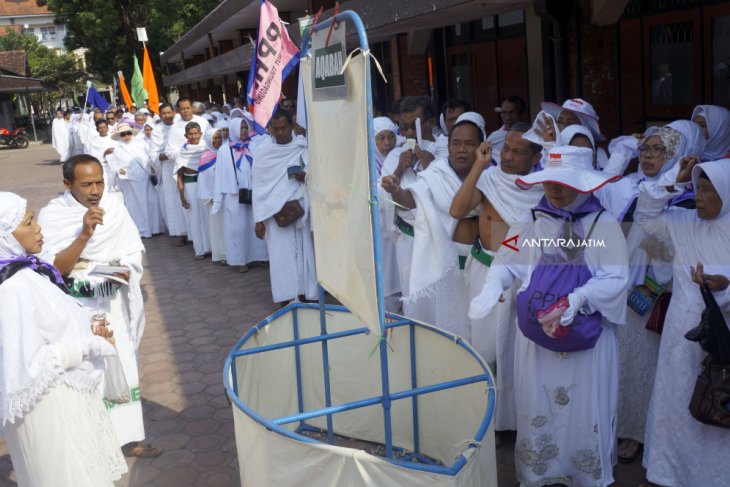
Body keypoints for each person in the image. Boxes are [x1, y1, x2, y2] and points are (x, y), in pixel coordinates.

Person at [470, 145, 628, 486]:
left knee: (585, 407)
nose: (553, 189)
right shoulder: (531, 220)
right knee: (540, 406)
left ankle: (584, 473)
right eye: (549, 182)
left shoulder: (602, 224)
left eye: (562, 182)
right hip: (539, 341)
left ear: (583, 184)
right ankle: (541, 473)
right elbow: (505, 260)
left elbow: (616, 278)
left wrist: (578, 299)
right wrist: (492, 285)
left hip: (587, 338)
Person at [37, 155, 161, 458]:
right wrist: (84, 234)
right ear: (68, 185)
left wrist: (120, 270)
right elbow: (55, 269)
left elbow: (133, 251)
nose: (95, 190)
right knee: (87, 369)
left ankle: (128, 437)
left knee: (122, 363)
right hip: (78, 308)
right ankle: (93, 441)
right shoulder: (52, 215)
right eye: (87, 184)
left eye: (100, 182)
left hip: (113, 302)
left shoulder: (115, 207)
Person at [0, 192, 128, 487]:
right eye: (28, 223)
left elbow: (47, 323)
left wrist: (88, 329)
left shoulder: (25, 271)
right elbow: (29, 366)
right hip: (50, 410)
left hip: (64, 398)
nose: (38, 229)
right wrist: (88, 346)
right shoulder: (11, 288)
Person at [636, 157, 730, 487]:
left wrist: (726, 285)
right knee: (675, 402)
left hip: (722, 339)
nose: (699, 196)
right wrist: (676, 179)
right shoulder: (681, 221)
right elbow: (645, 215)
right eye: (698, 189)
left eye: (708, 190)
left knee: (719, 403)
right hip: (681, 334)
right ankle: (667, 473)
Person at [450, 121, 544, 437]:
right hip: (485, 270)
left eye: (519, 152)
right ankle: (487, 420)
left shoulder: (543, 190)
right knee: (485, 350)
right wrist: (479, 165)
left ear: (535, 157)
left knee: (518, 356)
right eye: (507, 149)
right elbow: (457, 209)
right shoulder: (489, 178)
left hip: (523, 278)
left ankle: (514, 424)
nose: (508, 157)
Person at [381, 120, 484, 337]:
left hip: (480, 268)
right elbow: (412, 200)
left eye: (469, 144)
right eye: (456, 143)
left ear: (481, 147)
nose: (461, 150)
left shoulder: (489, 176)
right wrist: (396, 189)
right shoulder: (437, 174)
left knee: (478, 327)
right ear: (448, 147)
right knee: (449, 325)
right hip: (446, 266)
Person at [380, 96, 440, 315]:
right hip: (408, 241)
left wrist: (429, 164)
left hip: (438, 238)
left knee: (439, 300)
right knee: (414, 300)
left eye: (413, 126)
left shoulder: (444, 149)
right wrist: (399, 168)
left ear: (431, 122)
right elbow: (383, 193)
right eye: (403, 127)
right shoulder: (396, 154)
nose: (408, 133)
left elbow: (450, 191)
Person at [252, 109, 317, 305]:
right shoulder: (263, 152)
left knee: (306, 252)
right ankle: (286, 295)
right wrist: (259, 219)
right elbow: (258, 186)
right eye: (276, 128)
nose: (280, 132)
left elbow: (317, 175)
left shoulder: (303, 147)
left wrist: (306, 177)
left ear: (292, 127)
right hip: (274, 213)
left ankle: (308, 293)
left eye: (284, 128)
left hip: (300, 208)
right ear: (270, 129)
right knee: (281, 255)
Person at [213, 116, 268, 272]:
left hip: (253, 192)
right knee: (237, 228)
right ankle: (240, 260)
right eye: (241, 128)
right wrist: (219, 198)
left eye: (246, 128)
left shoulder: (254, 146)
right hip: (233, 195)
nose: (244, 131)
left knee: (256, 224)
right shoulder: (224, 150)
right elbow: (220, 175)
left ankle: (261, 255)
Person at [107, 123, 162, 238]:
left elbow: (148, 161)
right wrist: (119, 170)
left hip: (143, 178)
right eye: (123, 134)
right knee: (134, 205)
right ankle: (140, 229)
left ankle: (153, 228)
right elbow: (115, 166)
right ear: (120, 136)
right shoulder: (117, 149)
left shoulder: (141, 145)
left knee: (149, 202)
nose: (126, 136)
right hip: (128, 181)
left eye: (128, 133)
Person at [151, 103, 188, 244]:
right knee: (174, 200)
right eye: (163, 113)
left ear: (174, 112)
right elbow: (154, 156)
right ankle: (181, 232)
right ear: (160, 115)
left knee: (188, 194)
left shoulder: (181, 124)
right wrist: (170, 155)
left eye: (169, 112)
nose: (167, 116)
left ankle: (194, 231)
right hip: (168, 168)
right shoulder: (157, 131)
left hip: (186, 165)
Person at [174, 122, 211, 259]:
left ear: (201, 134)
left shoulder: (207, 148)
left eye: (196, 133)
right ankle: (199, 250)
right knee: (194, 218)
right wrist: (182, 196)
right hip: (190, 185)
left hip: (206, 186)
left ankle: (212, 248)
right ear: (186, 135)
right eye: (191, 134)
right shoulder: (182, 152)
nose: (194, 136)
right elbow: (179, 176)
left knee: (208, 217)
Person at [198, 127, 226, 263]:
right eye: (214, 138)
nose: (217, 140)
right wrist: (211, 197)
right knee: (218, 228)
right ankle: (222, 254)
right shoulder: (205, 158)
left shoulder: (226, 153)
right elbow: (203, 180)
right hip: (213, 198)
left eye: (219, 137)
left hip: (228, 196)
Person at [486, 95, 528, 165]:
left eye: (512, 112)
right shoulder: (494, 137)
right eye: (504, 112)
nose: (507, 117)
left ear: (522, 114)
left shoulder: (531, 136)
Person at [84, 119, 119, 188]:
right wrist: (104, 153)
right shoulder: (94, 141)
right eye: (100, 128)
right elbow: (92, 156)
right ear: (97, 129)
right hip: (102, 167)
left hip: (115, 167)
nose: (103, 130)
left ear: (107, 128)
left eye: (104, 127)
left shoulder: (114, 138)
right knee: (105, 186)